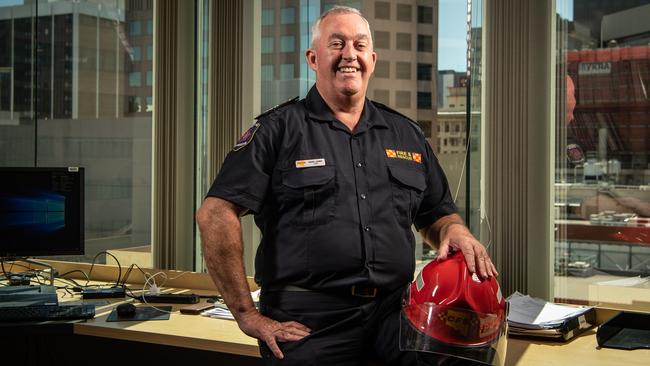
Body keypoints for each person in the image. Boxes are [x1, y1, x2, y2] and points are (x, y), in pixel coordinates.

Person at [196, 6, 497, 366]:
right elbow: (215, 213)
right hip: (309, 322)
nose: (348, 55)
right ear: (313, 58)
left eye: (358, 45)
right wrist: (246, 313)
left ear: (372, 58)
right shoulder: (279, 130)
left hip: (396, 318)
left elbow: (437, 215)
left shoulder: (406, 133)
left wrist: (456, 231)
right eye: (336, 44)